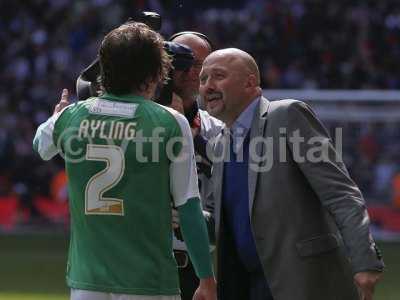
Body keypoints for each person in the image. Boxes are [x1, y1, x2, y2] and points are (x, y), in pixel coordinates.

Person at [33, 22, 217, 300]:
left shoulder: (69, 116)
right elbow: (189, 208)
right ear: (157, 71)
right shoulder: (169, 122)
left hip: (87, 281)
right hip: (148, 279)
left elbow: (40, 146)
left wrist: (57, 115)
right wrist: (206, 278)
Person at [199, 48, 384, 300]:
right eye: (203, 79)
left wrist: (365, 261)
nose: (207, 86)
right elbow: (215, 219)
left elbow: (341, 194)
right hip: (247, 286)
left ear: (250, 82)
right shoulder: (220, 144)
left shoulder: (286, 115)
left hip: (304, 282)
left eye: (218, 76)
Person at [168, 31, 223, 300]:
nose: (192, 71)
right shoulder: (137, 121)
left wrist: (187, 133)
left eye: (200, 65)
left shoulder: (218, 128)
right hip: (140, 261)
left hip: (197, 265)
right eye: (182, 61)